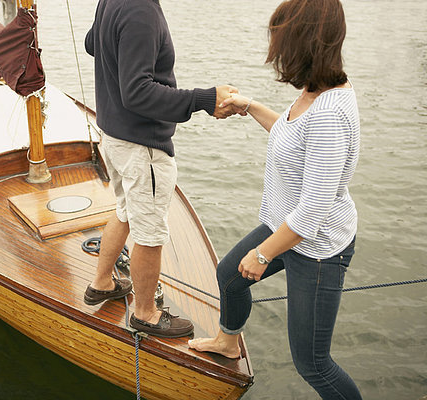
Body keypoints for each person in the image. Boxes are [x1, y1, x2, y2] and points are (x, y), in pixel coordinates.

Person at [188, 0, 363, 398]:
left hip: (317, 247)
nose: (276, 51)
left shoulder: (330, 114)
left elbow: (315, 210)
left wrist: (264, 253)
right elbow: (291, 138)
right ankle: (228, 342)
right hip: (287, 226)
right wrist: (250, 107)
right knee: (230, 277)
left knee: (313, 364)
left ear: (304, 43)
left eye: (281, 40)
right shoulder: (313, 92)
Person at [82, 0, 241, 338]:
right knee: (149, 233)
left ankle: (102, 282)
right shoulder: (141, 10)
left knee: (126, 210)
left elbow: (92, 43)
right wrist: (206, 99)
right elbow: (137, 93)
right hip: (142, 146)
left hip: (113, 134)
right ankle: (145, 314)